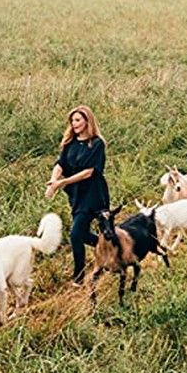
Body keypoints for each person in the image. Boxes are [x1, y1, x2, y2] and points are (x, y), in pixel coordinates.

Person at [45, 105, 110, 285]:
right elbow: (60, 165)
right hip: (76, 195)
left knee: (75, 234)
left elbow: (89, 172)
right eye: (72, 121)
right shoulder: (70, 143)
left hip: (93, 194)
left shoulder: (97, 144)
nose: (74, 124)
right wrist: (53, 181)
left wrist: (62, 183)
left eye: (78, 120)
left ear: (87, 121)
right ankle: (109, 247)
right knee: (81, 234)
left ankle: (79, 277)